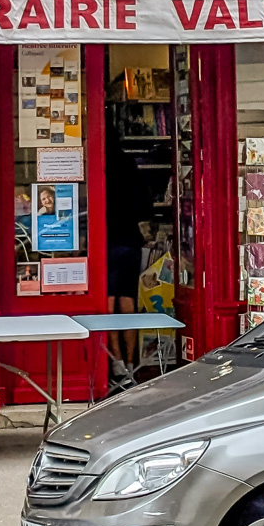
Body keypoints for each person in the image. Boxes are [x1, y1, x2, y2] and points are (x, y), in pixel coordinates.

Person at [106, 127, 154, 381]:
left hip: (105, 239)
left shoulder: (98, 165)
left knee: (108, 302)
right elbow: (145, 206)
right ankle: (132, 363)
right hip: (129, 238)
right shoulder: (129, 165)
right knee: (128, 300)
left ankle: (116, 361)